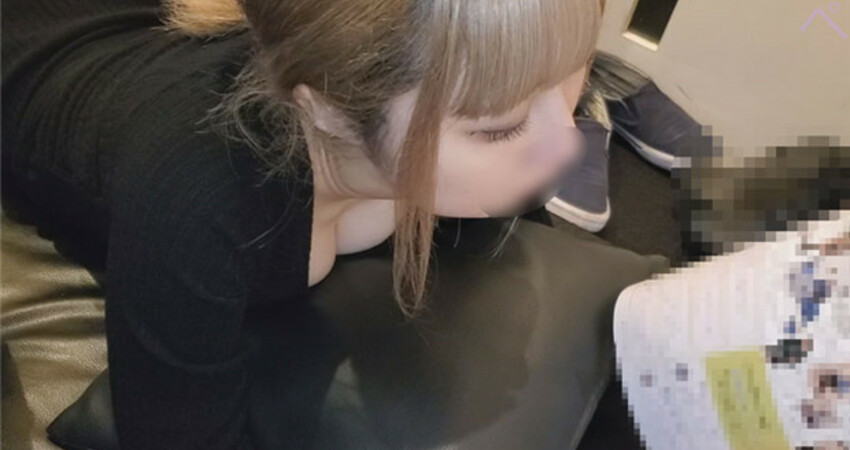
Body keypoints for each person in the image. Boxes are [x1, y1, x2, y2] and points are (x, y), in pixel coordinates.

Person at [1, 0, 604, 448]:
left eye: (577, 70)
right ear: (329, 112)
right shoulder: (198, 196)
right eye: (501, 127)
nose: (567, 146)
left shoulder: (430, 105)